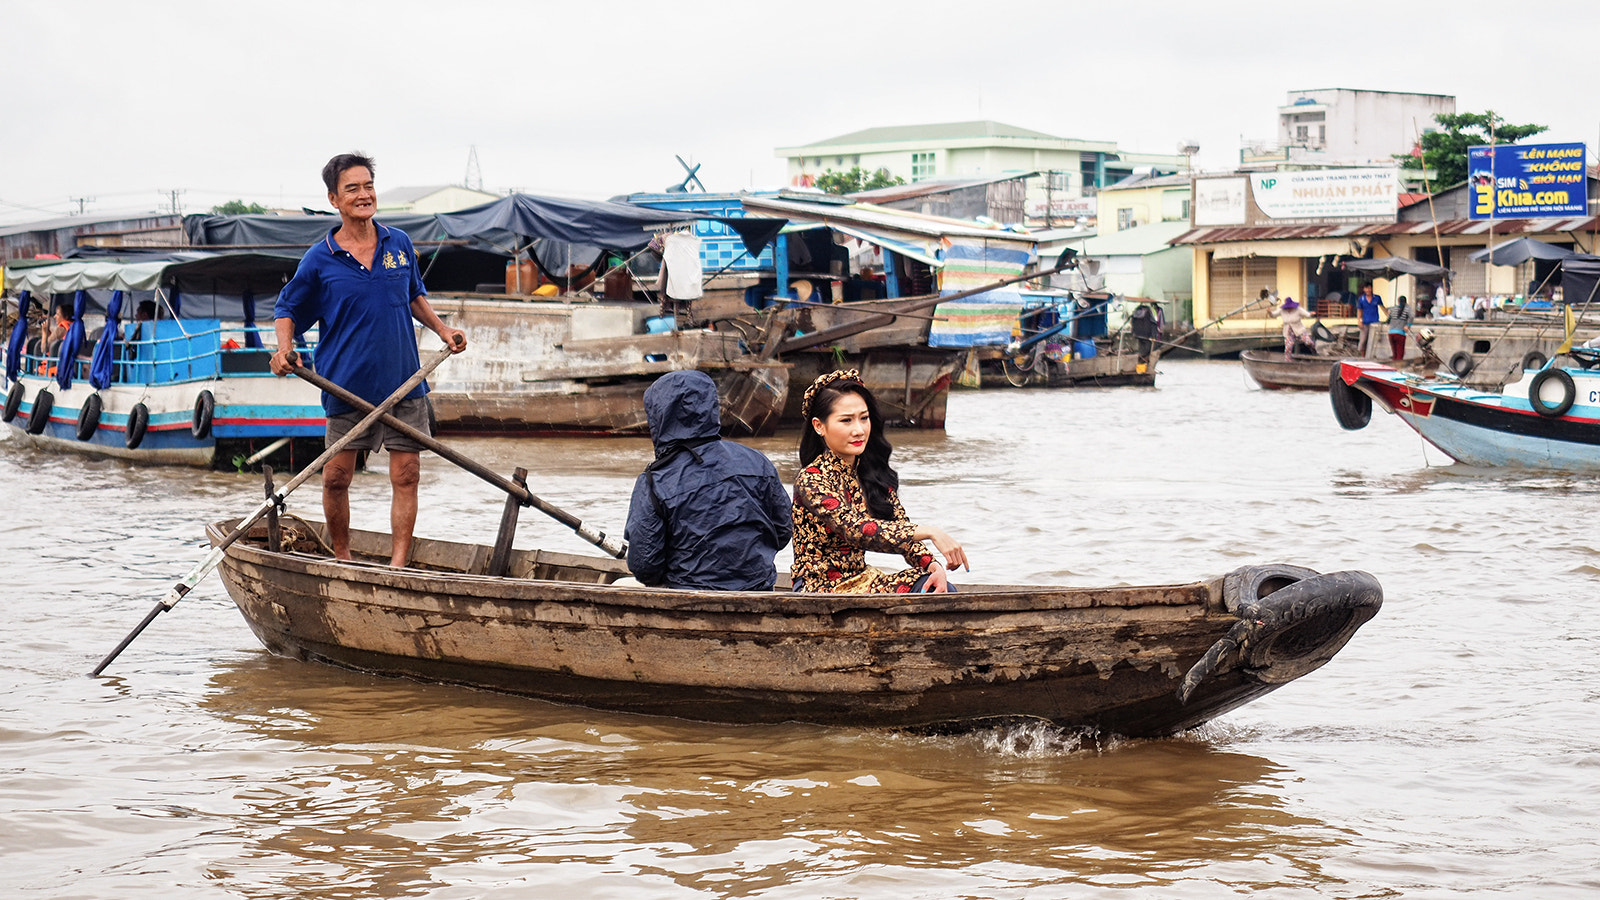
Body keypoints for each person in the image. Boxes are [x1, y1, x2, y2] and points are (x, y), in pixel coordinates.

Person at [270, 152, 467, 567]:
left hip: (404, 384)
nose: (364, 195)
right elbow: (287, 307)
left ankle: (397, 564)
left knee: (407, 476)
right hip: (344, 386)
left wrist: (443, 330)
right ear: (334, 200)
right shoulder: (320, 258)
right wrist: (284, 349)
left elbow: (414, 295)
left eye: (368, 186)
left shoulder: (399, 244)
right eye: (352, 189)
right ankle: (342, 557)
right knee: (336, 478)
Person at [791, 369, 968, 593]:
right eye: (846, 420)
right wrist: (932, 531)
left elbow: (898, 527)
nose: (859, 430)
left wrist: (933, 566)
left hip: (861, 579)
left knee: (934, 585)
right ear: (819, 426)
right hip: (819, 588)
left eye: (864, 418)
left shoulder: (870, 472)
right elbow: (856, 529)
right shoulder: (812, 479)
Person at [623, 370, 793, 590]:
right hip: (757, 591)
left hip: (686, 600)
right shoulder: (757, 461)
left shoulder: (654, 480)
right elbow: (783, 530)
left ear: (658, 416)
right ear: (711, 408)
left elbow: (644, 565)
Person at [1268, 297, 1314, 361]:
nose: (1289, 309)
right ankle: (1288, 360)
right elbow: (1273, 315)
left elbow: (1307, 314)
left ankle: (1314, 352)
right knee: (1288, 346)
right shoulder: (1281, 310)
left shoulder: (1298, 309)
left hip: (1299, 330)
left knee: (1309, 342)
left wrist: (1311, 314)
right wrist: (1269, 312)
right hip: (1288, 332)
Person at [1355, 284, 1385, 357]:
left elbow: (1382, 307)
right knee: (1363, 340)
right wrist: (1359, 321)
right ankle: (1363, 356)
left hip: (1375, 322)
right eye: (1366, 288)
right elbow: (1359, 310)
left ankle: (1373, 355)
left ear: (1371, 289)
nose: (1368, 290)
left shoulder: (1377, 298)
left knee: (1375, 340)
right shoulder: (1361, 299)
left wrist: (1389, 316)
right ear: (1364, 289)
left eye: (1369, 288)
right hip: (1365, 322)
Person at [1387, 295, 1414, 362]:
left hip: (1391, 333)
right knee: (1400, 353)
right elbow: (1412, 316)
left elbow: (1388, 320)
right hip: (1400, 334)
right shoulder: (1407, 309)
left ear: (1398, 302)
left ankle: (1394, 364)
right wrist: (1408, 325)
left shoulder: (1393, 309)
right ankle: (1398, 366)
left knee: (1394, 353)